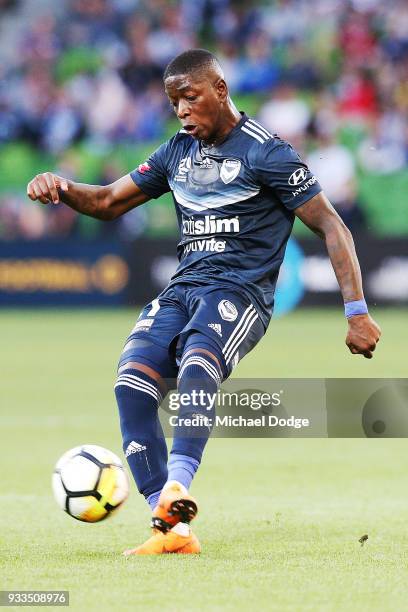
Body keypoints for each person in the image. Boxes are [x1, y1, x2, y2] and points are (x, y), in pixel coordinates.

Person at [27, 49, 381, 556]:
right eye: (174, 103)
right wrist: (62, 187)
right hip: (183, 288)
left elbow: (332, 225)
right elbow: (106, 202)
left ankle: (177, 483)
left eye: (189, 98)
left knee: (199, 359)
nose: (182, 111)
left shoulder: (267, 153)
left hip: (240, 293)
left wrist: (356, 311)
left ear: (219, 88)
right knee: (132, 380)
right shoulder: (176, 153)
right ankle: (168, 524)